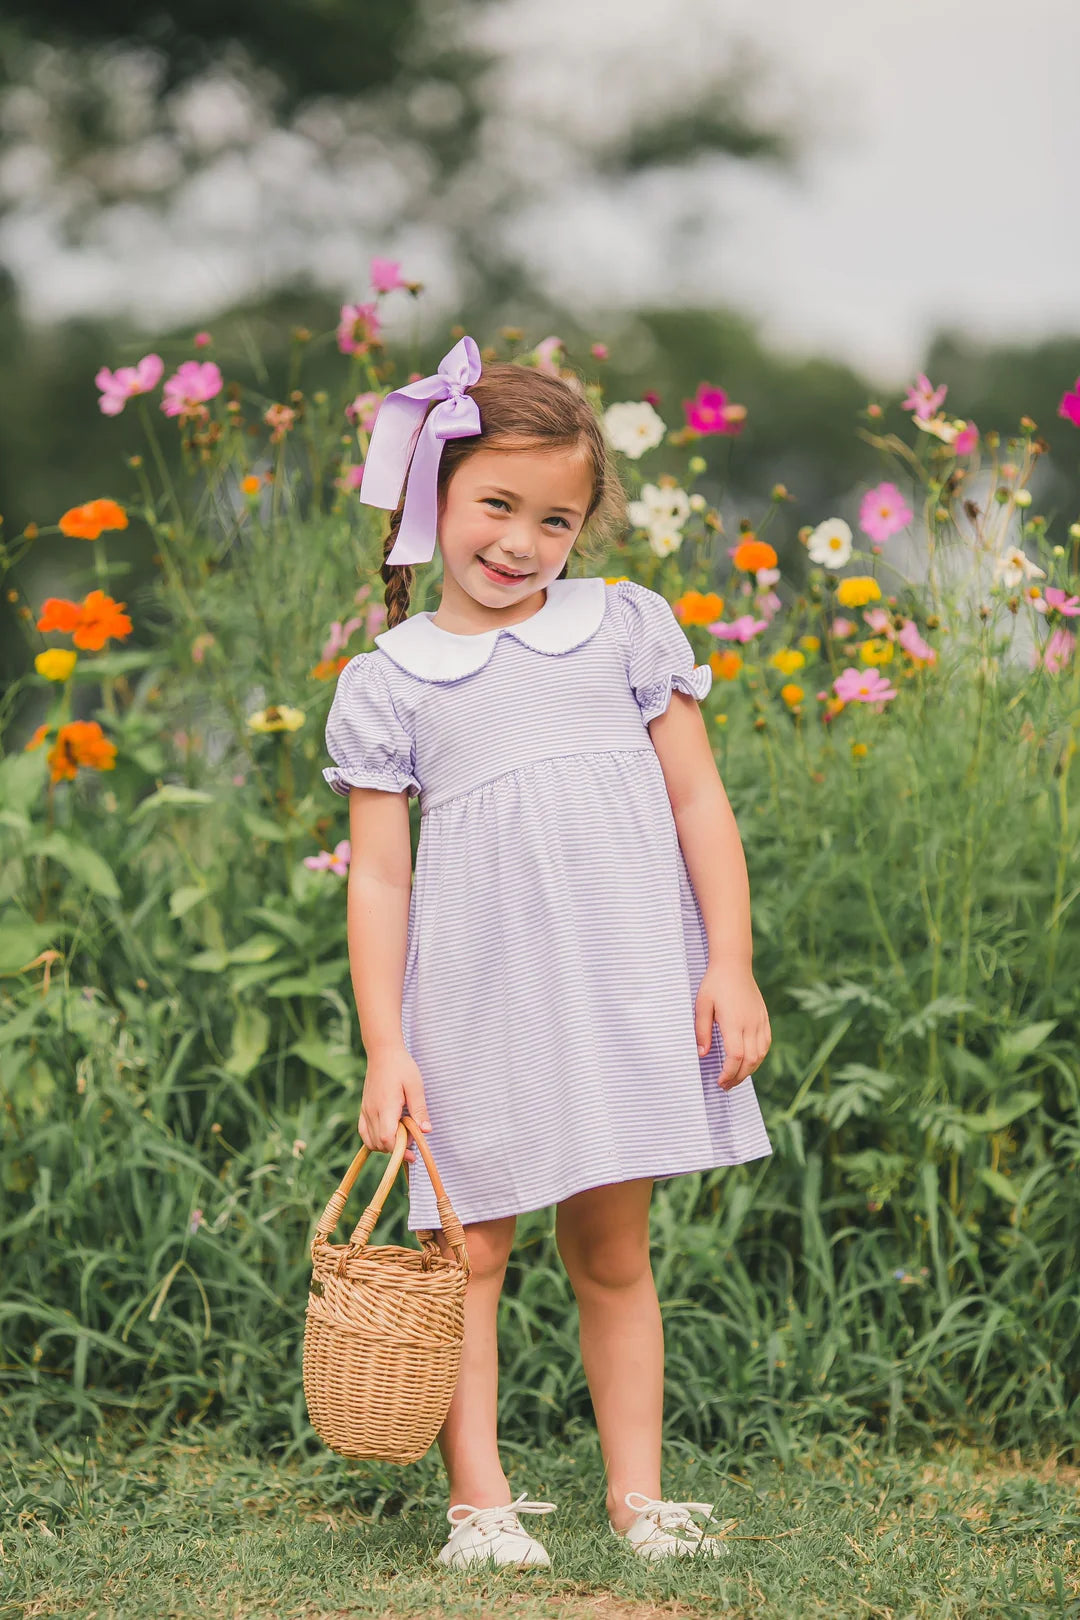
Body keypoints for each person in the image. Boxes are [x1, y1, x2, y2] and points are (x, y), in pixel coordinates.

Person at [322, 334, 773, 1569]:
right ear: (437, 499)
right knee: (469, 1254)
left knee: (614, 1252)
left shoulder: (624, 628)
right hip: (475, 1009)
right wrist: (386, 1047)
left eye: (556, 520)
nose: (521, 542)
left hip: (624, 992)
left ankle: (639, 1497)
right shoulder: (393, 680)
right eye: (497, 505)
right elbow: (381, 875)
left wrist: (727, 962)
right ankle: (482, 1505)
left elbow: (699, 804)